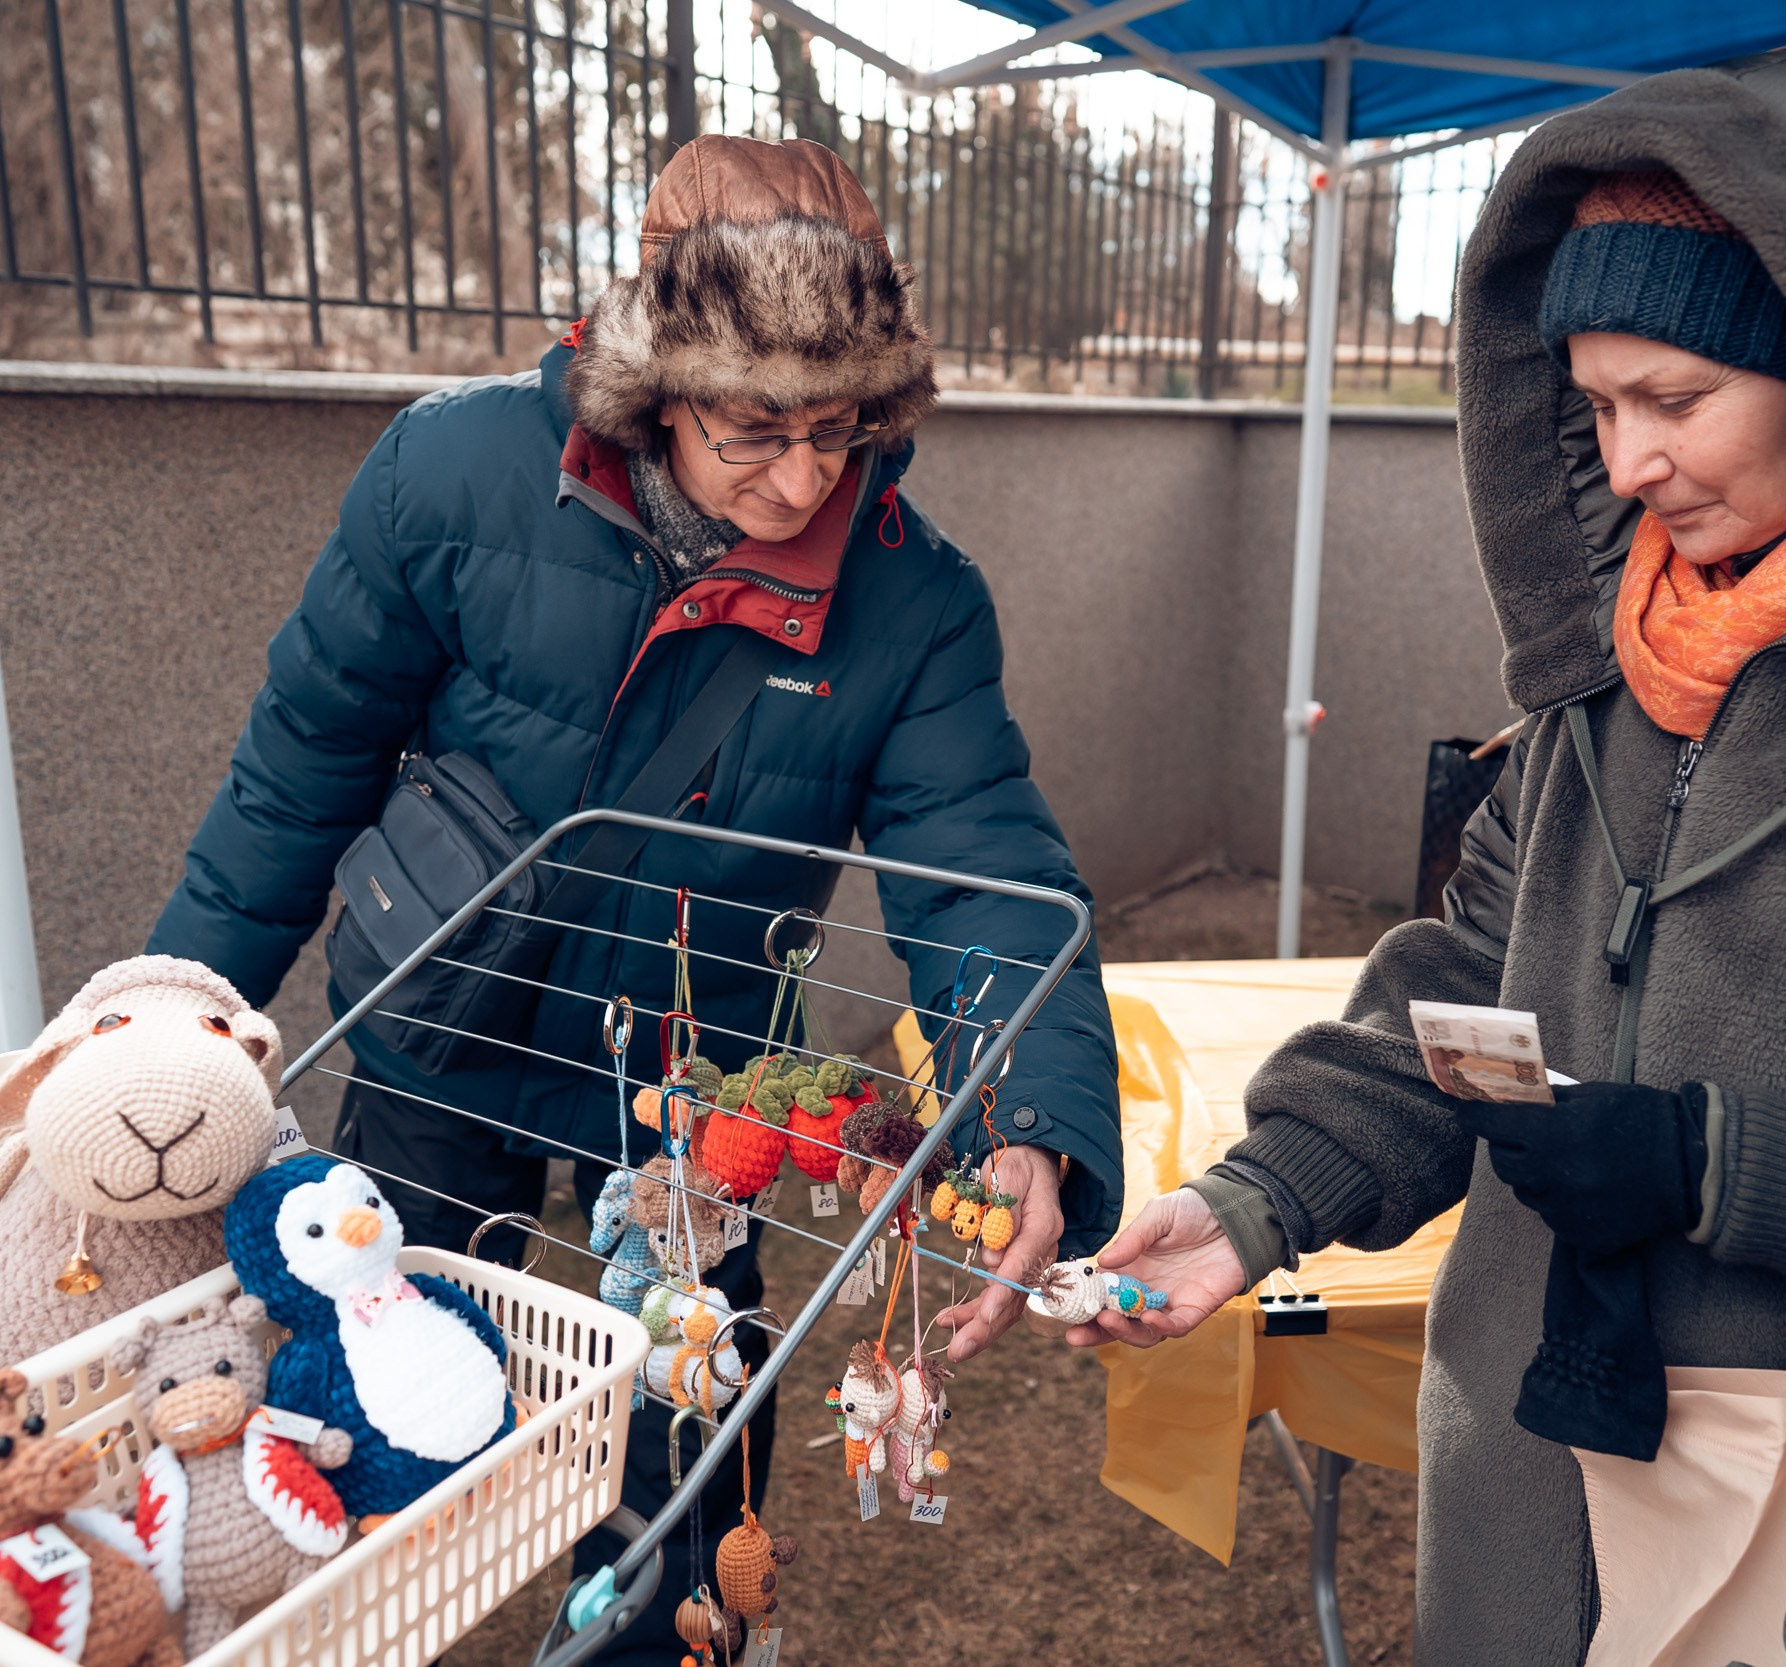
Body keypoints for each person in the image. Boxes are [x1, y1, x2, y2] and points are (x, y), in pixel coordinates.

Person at [1077, 33, 1786, 1662]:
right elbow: (1477, 986)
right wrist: (1264, 1194)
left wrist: (1733, 1166)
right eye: (1597, 401)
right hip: (1540, 1509)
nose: (1626, 463)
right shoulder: (1631, 644)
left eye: (1676, 398)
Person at [147, 135, 1119, 1658]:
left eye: (843, 426)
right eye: (754, 427)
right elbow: (305, 761)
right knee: (358, 1417)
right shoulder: (452, 471)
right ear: (655, 369)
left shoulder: (914, 598)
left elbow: (984, 864)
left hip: (692, 1089)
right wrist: (172, 1024)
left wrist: (1036, 1118)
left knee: (675, 1474)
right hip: (434, 1028)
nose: (804, 478)